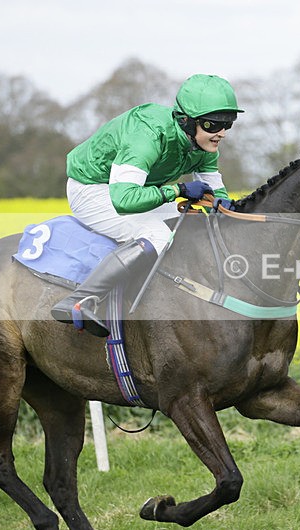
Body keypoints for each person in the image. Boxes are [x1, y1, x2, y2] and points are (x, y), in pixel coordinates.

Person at [50, 74, 244, 337]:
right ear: (186, 121)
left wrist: (228, 208)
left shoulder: (204, 145)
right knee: (158, 234)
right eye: (213, 124)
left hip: (132, 190)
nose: (221, 132)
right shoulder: (147, 135)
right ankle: (80, 300)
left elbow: (217, 194)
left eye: (228, 124)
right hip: (94, 189)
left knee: (192, 220)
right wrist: (179, 189)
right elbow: (125, 199)